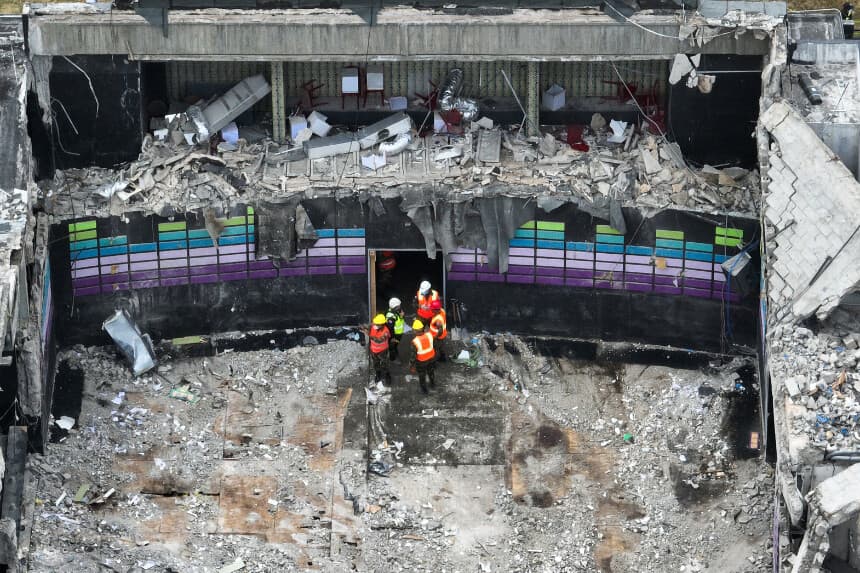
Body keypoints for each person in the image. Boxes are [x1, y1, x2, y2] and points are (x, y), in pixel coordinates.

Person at [409, 319, 436, 394]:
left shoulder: (415, 341)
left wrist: (412, 365)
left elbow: (413, 356)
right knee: (431, 372)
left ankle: (424, 390)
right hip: (431, 358)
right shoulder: (429, 335)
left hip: (422, 361)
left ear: (415, 330)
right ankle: (432, 384)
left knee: (422, 374)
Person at [368, 314, 392, 385]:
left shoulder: (386, 331)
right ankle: (378, 374)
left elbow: (379, 340)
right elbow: (368, 326)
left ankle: (387, 375)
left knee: (385, 363)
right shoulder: (373, 326)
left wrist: (369, 335)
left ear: (382, 324)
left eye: (377, 324)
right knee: (376, 363)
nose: (375, 325)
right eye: (375, 323)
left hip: (383, 351)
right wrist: (362, 327)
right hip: (373, 350)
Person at [385, 297, 405, 361]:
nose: (400, 307)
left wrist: (401, 317)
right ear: (395, 306)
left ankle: (395, 353)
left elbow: (399, 321)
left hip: (398, 334)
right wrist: (392, 338)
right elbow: (390, 329)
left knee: (395, 346)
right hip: (394, 335)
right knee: (392, 347)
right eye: (398, 306)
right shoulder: (391, 316)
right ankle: (393, 359)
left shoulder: (396, 311)